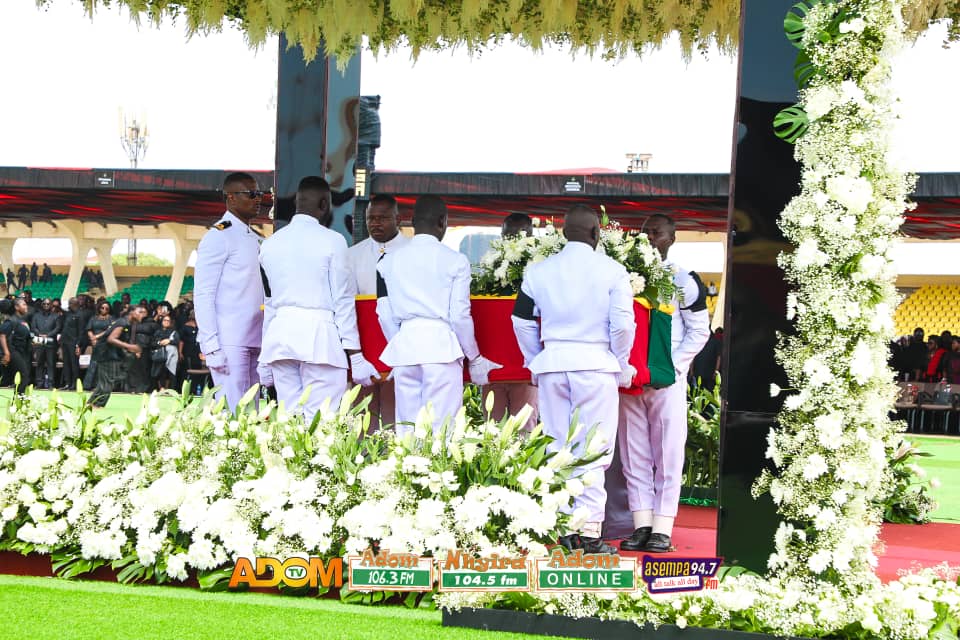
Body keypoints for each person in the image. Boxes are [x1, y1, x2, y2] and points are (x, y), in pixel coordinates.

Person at [511, 205, 635, 554]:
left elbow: (521, 320)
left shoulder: (538, 271)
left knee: (557, 446)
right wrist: (619, 361)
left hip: (553, 363)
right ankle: (590, 532)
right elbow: (623, 325)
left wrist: (535, 359)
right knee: (593, 448)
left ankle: (564, 528)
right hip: (595, 364)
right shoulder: (613, 270)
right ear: (596, 233)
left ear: (564, 233)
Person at [619, 214, 710, 554]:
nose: (649, 238)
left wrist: (673, 367)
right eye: (645, 232)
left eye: (657, 233)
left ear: (672, 239)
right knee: (633, 453)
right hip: (630, 380)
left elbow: (699, 331)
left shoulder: (684, 279)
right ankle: (642, 524)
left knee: (668, 453)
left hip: (668, 379)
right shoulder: (623, 276)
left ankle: (663, 527)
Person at [376, 195, 501, 435]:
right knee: (442, 430)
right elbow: (460, 316)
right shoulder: (456, 260)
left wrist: (399, 343)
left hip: (405, 347)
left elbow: (384, 314)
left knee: (407, 428)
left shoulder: (388, 261)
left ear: (412, 222)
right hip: (441, 348)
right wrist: (474, 357)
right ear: (443, 222)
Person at [260, 177, 378, 420]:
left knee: (289, 421)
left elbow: (270, 304)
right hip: (319, 339)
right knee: (322, 421)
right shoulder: (333, 240)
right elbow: (343, 301)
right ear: (325, 204)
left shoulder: (269, 245)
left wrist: (264, 357)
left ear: (296, 202)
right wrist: (355, 355)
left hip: (279, 339)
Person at [194, 172, 266, 410]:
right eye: (251, 194)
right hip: (230, 339)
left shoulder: (254, 237)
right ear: (231, 197)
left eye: (260, 194)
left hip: (255, 335)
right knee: (233, 412)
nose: (258, 199)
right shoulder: (219, 235)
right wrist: (210, 344)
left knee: (252, 412)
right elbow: (203, 294)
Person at [346, 194, 410, 428]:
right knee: (363, 420)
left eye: (382, 218)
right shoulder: (353, 254)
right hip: (365, 348)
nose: (375, 223)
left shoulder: (412, 251)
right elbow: (348, 305)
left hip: (401, 345)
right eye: (370, 218)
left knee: (399, 417)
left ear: (398, 219)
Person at [484, 213, 538, 429]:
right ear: (502, 235)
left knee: (524, 428)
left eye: (521, 234)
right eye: (509, 234)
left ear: (531, 235)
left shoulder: (539, 268)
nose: (514, 239)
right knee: (492, 428)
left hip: (525, 366)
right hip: (495, 363)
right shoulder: (492, 267)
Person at [88, 306, 144, 408]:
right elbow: (111, 339)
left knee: (106, 381)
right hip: (106, 353)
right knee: (108, 381)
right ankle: (97, 404)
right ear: (132, 313)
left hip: (108, 353)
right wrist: (130, 347)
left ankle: (91, 403)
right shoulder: (123, 323)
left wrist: (129, 350)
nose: (142, 314)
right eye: (140, 312)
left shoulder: (125, 323)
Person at [0, 298, 33, 393]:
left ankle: (19, 398)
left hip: (22, 351)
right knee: (24, 375)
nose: (26, 307)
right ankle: (19, 399)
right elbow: (2, 335)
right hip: (13, 351)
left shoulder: (22, 320)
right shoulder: (11, 320)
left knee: (23, 375)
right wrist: (6, 353)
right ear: (16, 307)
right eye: (23, 304)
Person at [30, 298, 61, 389]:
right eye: (44, 304)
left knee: (51, 363)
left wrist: (48, 335)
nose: (46, 305)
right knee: (39, 363)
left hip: (51, 342)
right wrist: (39, 334)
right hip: (39, 341)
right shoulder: (36, 316)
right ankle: (39, 383)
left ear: (51, 305)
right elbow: (33, 327)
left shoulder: (56, 316)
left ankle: (51, 383)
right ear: (42, 305)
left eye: (48, 304)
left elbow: (58, 328)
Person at [58, 297, 85, 390]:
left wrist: (78, 344)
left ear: (75, 304)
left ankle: (74, 384)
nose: (69, 305)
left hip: (74, 342)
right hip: (65, 341)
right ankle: (67, 383)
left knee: (74, 364)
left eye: (71, 303)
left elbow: (81, 331)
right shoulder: (68, 314)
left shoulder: (80, 315)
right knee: (66, 363)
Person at [152, 315, 180, 390]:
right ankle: (161, 388)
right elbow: (152, 343)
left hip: (171, 355)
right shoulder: (158, 331)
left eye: (168, 321)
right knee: (160, 371)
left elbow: (177, 341)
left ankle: (170, 389)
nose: (166, 322)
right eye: (165, 320)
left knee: (171, 372)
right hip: (161, 355)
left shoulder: (173, 331)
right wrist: (160, 342)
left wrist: (169, 341)